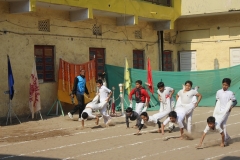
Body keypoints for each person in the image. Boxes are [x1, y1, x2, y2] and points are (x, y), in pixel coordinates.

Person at [215, 78, 237, 145]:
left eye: (226, 85)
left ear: (229, 85)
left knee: (223, 124)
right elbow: (217, 100)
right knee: (220, 124)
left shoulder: (230, 93)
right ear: (222, 84)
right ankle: (227, 137)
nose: (225, 86)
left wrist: (231, 106)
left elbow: (235, 101)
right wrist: (216, 108)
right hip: (219, 110)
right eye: (224, 84)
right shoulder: (218, 92)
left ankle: (224, 140)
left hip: (226, 110)